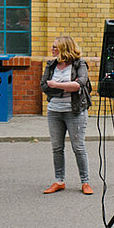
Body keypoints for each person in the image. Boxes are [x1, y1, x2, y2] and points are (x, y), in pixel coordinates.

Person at [41, 36, 93, 195]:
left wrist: (56, 85)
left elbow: (80, 83)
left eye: (55, 47)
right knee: (57, 147)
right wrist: (67, 87)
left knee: (78, 147)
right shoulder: (51, 65)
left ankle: (85, 182)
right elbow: (44, 86)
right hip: (54, 111)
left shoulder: (79, 64)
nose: (52, 49)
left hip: (75, 111)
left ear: (64, 48)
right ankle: (59, 181)